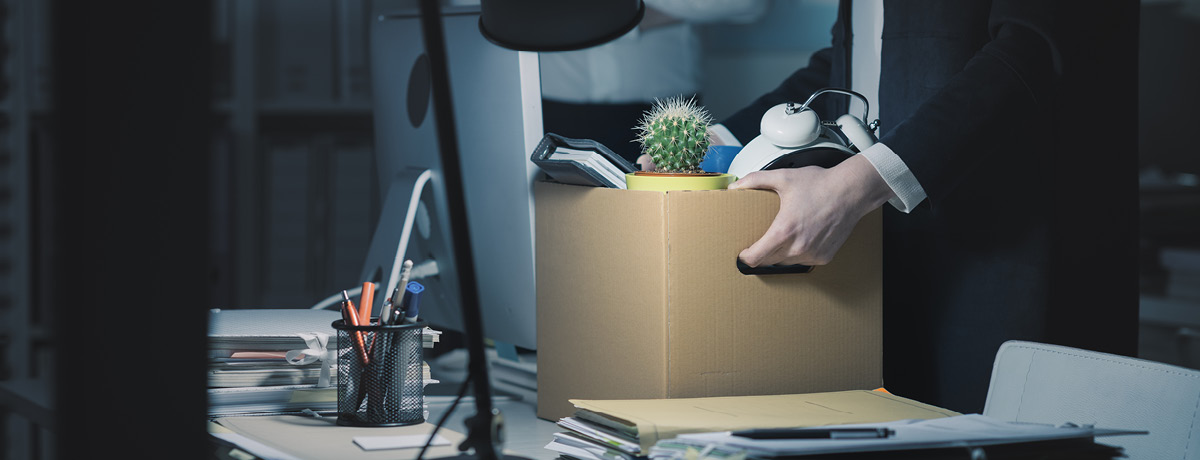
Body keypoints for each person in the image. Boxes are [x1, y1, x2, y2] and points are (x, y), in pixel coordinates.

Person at [681, 1, 1139, 413]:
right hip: (888, 245)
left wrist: (855, 187)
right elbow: (848, 62)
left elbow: (1035, 47)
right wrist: (712, 142)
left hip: (1008, 245)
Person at [540, 0, 766, 163]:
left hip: (668, 111)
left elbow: (748, 3)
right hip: (556, 109)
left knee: (673, 210)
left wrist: (619, 14)